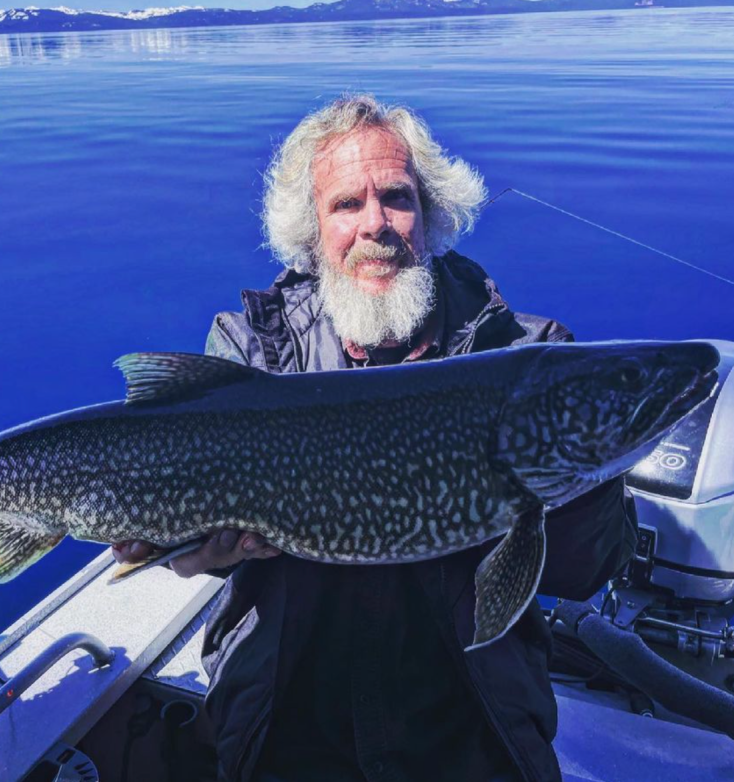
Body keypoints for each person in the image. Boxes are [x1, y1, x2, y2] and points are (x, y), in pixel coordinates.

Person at [113, 95, 638, 782]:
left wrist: (559, 475)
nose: (375, 226)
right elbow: (189, 542)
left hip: (472, 725)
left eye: (395, 198)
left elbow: (585, 570)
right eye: (345, 205)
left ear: (429, 214)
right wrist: (190, 550)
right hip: (288, 717)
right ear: (311, 231)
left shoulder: (529, 353)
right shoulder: (251, 353)